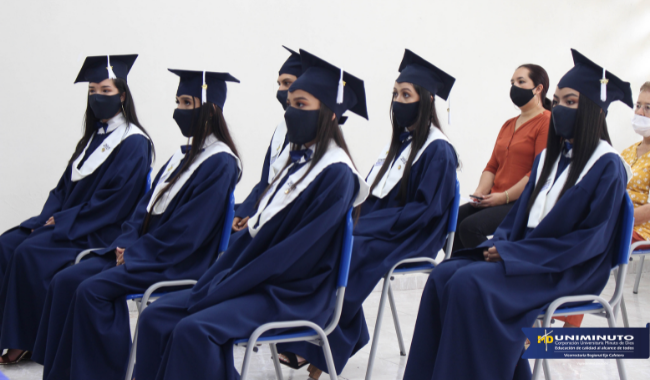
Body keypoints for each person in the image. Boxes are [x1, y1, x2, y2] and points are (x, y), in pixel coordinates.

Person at [133, 49, 369, 380]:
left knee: (195, 329)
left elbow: (294, 255)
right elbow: (260, 233)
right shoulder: (298, 164)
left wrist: (230, 281)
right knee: (154, 316)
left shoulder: (336, 175)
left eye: (301, 104)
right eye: (290, 103)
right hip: (258, 279)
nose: (290, 111)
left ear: (329, 114)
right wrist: (223, 275)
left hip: (292, 293)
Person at [403, 49, 633, 380]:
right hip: (527, 257)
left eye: (571, 102)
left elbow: (590, 241)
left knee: (469, 284)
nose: (559, 111)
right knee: (443, 276)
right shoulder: (548, 161)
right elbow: (516, 221)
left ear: (594, 112)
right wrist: (505, 245)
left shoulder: (607, 166)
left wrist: (514, 253)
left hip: (568, 267)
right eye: (558, 101)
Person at [31, 69, 242, 380]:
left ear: (210, 109)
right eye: (178, 102)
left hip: (177, 262)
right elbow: (141, 209)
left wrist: (137, 253)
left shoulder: (220, 162)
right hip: (143, 252)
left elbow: (188, 231)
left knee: (92, 291)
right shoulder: (180, 157)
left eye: (187, 103)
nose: (179, 111)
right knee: (67, 280)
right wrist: (127, 242)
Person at [278, 49, 459, 378]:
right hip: (384, 227)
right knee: (334, 241)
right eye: (395, 94)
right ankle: (323, 333)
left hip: (412, 235)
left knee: (354, 250)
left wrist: (367, 223)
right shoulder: (398, 145)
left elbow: (426, 211)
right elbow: (375, 195)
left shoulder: (439, 149)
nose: (398, 101)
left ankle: (322, 342)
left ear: (427, 100)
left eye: (406, 94)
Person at [0, 55, 153, 364]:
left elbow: (117, 201)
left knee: (30, 252)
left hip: (99, 228)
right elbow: (62, 189)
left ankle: (25, 340)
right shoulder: (93, 138)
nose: (98, 96)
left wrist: (65, 220)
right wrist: (47, 217)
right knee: (6, 243)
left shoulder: (134, 142)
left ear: (123, 95)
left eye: (106, 90)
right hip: (70, 222)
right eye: (93, 90)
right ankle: (9, 333)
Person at [453, 64, 551, 252]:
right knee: (449, 222)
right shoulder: (508, 124)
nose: (514, 87)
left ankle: (492, 270)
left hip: (521, 201)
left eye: (521, 81)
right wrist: (480, 192)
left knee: (470, 228)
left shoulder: (546, 121)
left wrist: (504, 197)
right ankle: (463, 269)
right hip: (495, 197)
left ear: (539, 89)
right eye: (512, 82)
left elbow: (539, 171)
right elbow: (492, 166)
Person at [232, 46, 301, 232]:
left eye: (287, 83)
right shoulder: (282, 129)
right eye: (278, 83)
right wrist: (245, 211)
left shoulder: (313, 139)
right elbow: (267, 180)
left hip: (277, 221)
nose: (280, 90)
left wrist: (257, 216)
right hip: (261, 209)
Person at [622, 81, 650, 245]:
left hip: (642, 230)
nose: (639, 112)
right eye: (638, 105)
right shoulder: (627, 152)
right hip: (616, 223)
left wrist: (617, 218)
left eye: (648, 108)